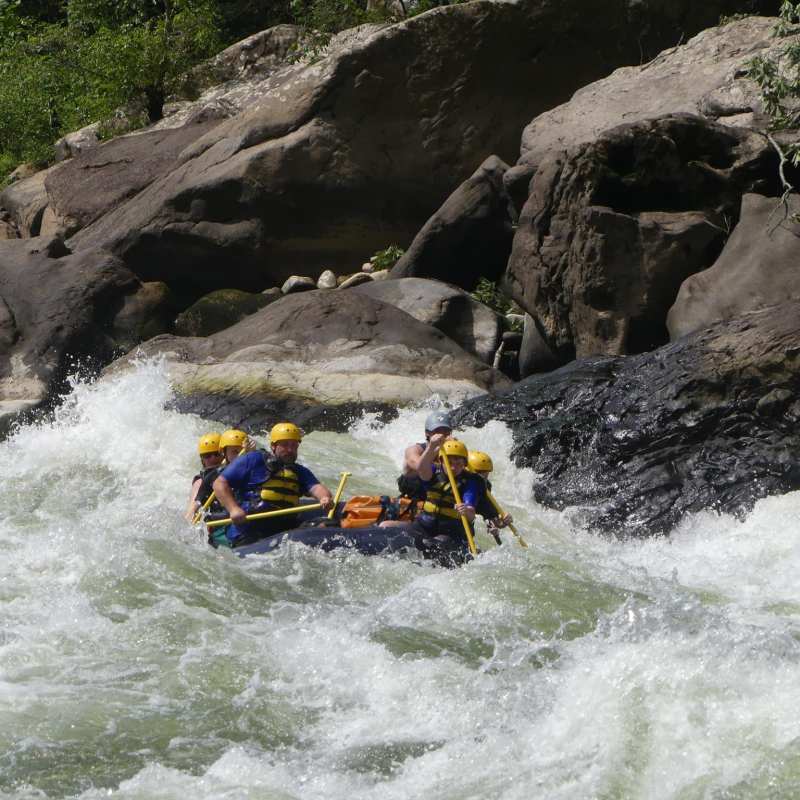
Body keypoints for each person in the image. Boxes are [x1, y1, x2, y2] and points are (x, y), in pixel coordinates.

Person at [211, 422, 333, 548]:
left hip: (284, 529)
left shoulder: (299, 471)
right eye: (285, 445)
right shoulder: (254, 459)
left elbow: (317, 488)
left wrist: (324, 498)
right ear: (273, 446)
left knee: (328, 525)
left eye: (294, 445)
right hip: (250, 529)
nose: (290, 450)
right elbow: (219, 483)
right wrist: (233, 509)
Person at [388, 438, 483, 562]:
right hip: (425, 525)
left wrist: (465, 510)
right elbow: (420, 467)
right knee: (394, 536)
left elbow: (471, 513)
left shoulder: (470, 482)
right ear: (442, 461)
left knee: (436, 545)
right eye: (450, 463)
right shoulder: (433, 471)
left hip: (451, 532)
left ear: (465, 465)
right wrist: (432, 447)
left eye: (459, 464)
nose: (454, 468)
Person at [398, 410, 454, 500]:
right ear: (427, 433)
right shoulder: (413, 450)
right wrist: (434, 448)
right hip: (413, 497)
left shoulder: (452, 450)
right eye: (437, 431)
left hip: (436, 499)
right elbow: (420, 467)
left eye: (446, 431)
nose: (442, 435)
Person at [467, 450, 513, 543]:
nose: (483, 478)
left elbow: (491, 515)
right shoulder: (455, 481)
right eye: (480, 473)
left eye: (486, 473)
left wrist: (504, 522)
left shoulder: (484, 487)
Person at [185, 432, 223, 521]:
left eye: (217, 454)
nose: (213, 458)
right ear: (202, 460)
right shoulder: (200, 481)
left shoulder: (236, 469)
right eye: (207, 456)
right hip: (217, 518)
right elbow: (190, 512)